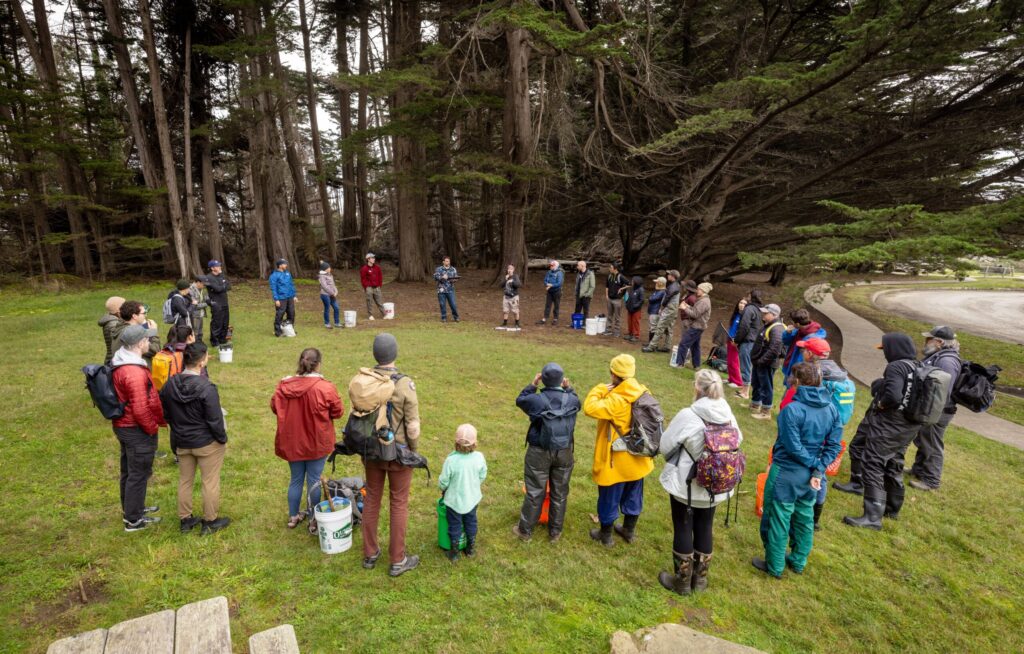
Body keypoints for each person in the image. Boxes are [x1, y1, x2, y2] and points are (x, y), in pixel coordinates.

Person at [752, 362, 842, 578]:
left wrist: (814, 465)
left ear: (798, 382)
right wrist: (819, 468)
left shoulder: (791, 410)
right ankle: (798, 561)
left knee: (778, 517)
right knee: (804, 517)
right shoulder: (831, 408)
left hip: (787, 472)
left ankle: (775, 565)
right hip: (812, 476)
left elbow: (793, 446)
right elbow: (834, 445)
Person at [657, 369, 742, 595]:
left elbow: (665, 445)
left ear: (697, 388)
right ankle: (700, 581)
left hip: (687, 482)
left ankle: (682, 582)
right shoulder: (728, 414)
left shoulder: (689, 414)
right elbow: (738, 440)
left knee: (683, 525)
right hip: (717, 484)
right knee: (705, 526)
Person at [837, 333, 920, 529]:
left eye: (886, 350)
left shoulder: (896, 366)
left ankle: (872, 517)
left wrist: (881, 404)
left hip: (890, 424)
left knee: (873, 462)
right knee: (894, 462)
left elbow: (893, 395)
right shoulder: (916, 366)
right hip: (908, 425)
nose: (885, 354)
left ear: (895, 349)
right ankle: (892, 508)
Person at [359, 333, 422, 577]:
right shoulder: (405, 384)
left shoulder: (365, 381)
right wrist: (413, 452)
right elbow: (413, 426)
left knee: (372, 498)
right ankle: (398, 560)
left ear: (375, 354)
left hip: (372, 451)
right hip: (398, 452)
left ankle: (370, 553)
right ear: (394, 354)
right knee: (399, 502)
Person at [583, 354, 656, 547]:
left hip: (616, 459)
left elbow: (589, 408)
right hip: (639, 456)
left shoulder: (616, 400)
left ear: (614, 374)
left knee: (609, 496)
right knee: (634, 494)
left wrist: (599, 389)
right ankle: (628, 531)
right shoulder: (642, 391)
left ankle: (605, 535)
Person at [159, 342, 230, 536]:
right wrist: (221, 439)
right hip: (206, 442)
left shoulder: (169, 384)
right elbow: (215, 419)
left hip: (182, 440)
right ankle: (210, 521)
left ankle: (186, 519)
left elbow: (165, 413)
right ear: (202, 361)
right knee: (210, 481)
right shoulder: (207, 388)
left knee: (185, 480)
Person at [271, 348, 344, 529]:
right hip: (316, 441)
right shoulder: (325, 387)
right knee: (314, 480)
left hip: (292, 441)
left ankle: (294, 516)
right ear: (318, 364)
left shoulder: (284, 386)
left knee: (296, 479)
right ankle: (313, 518)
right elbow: (338, 411)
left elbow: (275, 407)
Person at [513, 363, 580, 543]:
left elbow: (520, 400)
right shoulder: (571, 399)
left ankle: (525, 531)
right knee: (560, 492)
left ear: (542, 378)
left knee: (535, 490)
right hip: (565, 451)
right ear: (562, 380)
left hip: (539, 451)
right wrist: (569, 388)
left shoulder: (536, 400)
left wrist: (533, 385)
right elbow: (577, 401)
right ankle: (555, 532)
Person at [111, 324, 166, 531]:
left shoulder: (125, 360)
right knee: (138, 473)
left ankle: (133, 509)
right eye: (147, 340)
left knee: (130, 471)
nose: (149, 343)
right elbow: (141, 408)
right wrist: (152, 428)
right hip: (135, 429)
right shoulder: (133, 372)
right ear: (140, 343)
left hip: (125, 426)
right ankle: (133, 520)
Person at [906, 326, 962, 491]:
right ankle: (918, 469)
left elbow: (942, 391)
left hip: (939, 410)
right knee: (924, 439)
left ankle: (931, 480)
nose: (925, 342)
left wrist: (931, 411)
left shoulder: (947, 361)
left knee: (932, 443)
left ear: (939, 342)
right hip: (933, 408)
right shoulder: (940, 356)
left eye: (928, 339)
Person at [438, 424, 488, 562]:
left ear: (456, 442)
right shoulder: (479, 457)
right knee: (471, 521)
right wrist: (475, 484)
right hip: (472, 499)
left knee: (454, 524)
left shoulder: (451, 460)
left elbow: (444, 481)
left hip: (454, 502)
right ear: (475, 443)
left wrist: (441, 487)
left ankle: (454, 553)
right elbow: (483, 474)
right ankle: (470, 549)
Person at [749, 303, 784, 420]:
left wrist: (762, 361)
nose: (763, 314)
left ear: (774, 315)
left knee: (766, 386)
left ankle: (765, 412)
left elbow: (775, 348)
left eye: (766, 313)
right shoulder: (768, 324)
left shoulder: (777, 328)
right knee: (757, 383)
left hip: (767, 363)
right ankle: (755, 404)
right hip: (760, 362)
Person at [672, 282, 712, 368]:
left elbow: (695, 314)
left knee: (683, 344)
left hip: (697, 327)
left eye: (698, 289)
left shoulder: (704, 302)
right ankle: (696, 365)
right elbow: (696, 310)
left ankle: (680, 364)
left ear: (703, 290)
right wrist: (687, 306)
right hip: (699, 326)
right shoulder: (702, 299)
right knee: (695, 346)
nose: (697, 290)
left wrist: (684, 308)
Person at [733, 289, 764, 399]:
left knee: (745, 366)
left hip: (747, 341)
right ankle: (744, 389)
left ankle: (745, 392)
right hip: (754, 341)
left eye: (749, 295)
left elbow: (744, 326)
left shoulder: (749, 309)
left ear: (751, 296)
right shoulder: (759, 310)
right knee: (747, 366)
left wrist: (737, 340)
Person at [781, 309, 826, 384]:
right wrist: (788, 333)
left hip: (800, 372)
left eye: (792, 322)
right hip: (792, 366)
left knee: (791, 392)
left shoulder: (813, 337)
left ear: (798, 324)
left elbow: (808, 357)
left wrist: (798, 372)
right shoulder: (798, 330)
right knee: (790, 392)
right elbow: (786, 342)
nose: (791, 323)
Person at [643, 270, 681, 353]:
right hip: (673, 310)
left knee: (660, 328)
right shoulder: (676, 285)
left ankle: (651, 346)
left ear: (672, 276)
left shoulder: (673, 287)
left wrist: (662, 307)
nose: (668, 275)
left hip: (669, 310)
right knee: (669, 328)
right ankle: (667, 346)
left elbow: (667, 298)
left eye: (669, 274)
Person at [206, 260, 231, 347]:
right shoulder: (209, 278)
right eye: (217, 266)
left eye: (219, 265)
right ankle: (214, 341)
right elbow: (217, 289)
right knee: (217, 322)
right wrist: (223, 286)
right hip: (216, 303)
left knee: (225, 322)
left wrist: (222, 286)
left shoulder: (221, 275)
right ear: (212, 268)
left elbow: (229, 286)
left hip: (224, 302)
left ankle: (222, 339)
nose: (220, 267)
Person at [269, 259, 297, 337]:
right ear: (280, 265)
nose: (286, 265)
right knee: (280, 314)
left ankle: (289, 329)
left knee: (291, 313)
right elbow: (273, 288)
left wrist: (294, 295)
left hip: (290, 297)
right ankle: (278, 332)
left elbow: (291, 285)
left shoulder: (287, 273)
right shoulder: (274, 275)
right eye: (284, 264)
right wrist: (276, 299)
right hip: (281, 298)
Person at [725, 298, 747, 388]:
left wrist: (737, 340)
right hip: (729, 339)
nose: (741, 304)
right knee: (729, 360)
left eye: (744, 303)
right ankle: (731, 378)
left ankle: (737, 382)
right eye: (740, 302)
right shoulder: (736, 314)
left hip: (736, 342)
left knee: (734, 361)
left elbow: (743, 330)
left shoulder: (745, 316)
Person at [603, 263, 628, 337]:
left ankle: (617, 331)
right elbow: (607, 286)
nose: (609, 269)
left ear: (615, 269)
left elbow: (629, 284)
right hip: (610, 299)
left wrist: (621, 288)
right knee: (609, 315)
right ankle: (608, 330)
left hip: (617, 300)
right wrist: (607, 295)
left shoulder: (621, 277)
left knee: (617, 316)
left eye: (611, 267)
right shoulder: (609, 276)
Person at [100, 296, 126, 365]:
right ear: (119, 312)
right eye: (125, 306)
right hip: (114, 361)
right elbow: (119, 340)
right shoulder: (113, 324)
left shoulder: (114, 321)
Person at [434, 256, 460, 323]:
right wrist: (442, 277)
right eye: (446, 261)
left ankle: (456, 317)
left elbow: (456, 277)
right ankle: (444, 318)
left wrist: (454, 280)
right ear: (443, 262)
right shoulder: (439, 269)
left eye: (448, 261)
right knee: (442, 304)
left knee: (453, 304)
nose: (448, 262)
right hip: (441, 290)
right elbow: (435, 277)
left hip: (450, 290)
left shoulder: (453, 269)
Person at [537, 260, 564, 326]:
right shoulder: (549, 272)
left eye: (552, 265)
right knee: (547, 305)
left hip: (557, 292)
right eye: (550, 265)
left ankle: (555, 319)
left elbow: (559, 283)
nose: (550, 267)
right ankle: (545, 318)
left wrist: (551, 285)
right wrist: (547, 284)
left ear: (555, 266)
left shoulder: (559, 273)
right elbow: (545, 280)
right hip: (549, 292)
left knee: (556, 305)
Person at [360, 252, 386, 320]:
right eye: (372, 258)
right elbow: (363, 279)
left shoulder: (377, 268)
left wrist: (379, 285)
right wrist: (366, 286)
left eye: (374, 258)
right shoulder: (364, 268)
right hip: (369, 288)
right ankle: (370, 315)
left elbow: (380, 277)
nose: (374, 259)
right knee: (369, 302)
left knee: (379, 301)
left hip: (377, 287)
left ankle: (384, 314)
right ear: (368, 259)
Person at [499, 264, 522, 330]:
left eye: (511, 269)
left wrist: (512, 281)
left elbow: (518, 285)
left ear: (513, 270)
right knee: (505, 310)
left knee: (515, 311)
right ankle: (505, 323)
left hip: (514, 297)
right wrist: (506, 279)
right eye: (509, 269)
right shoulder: (506, 277)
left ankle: (517, 323)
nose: (509, 270)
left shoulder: (515, 276)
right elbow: (501, 285)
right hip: (506, 297)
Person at [318, 262, 341, 329]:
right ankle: (327, 323)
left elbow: (333, 285)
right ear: (325, 269)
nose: (330, 268)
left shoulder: (330, 275)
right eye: (328, 267)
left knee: (336, 308)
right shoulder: (321, 276)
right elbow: (324, 286)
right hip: (325, 295)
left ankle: (337, 323)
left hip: (332, 295)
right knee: (327, 309)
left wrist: (336, 291)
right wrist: (332, 293)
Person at [624, 276, 646, 343]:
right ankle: (630, 333)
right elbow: (629, 297)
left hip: (636, 310)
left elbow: (642, 300)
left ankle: (636, 335)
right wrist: (627, 304)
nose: (632, 282)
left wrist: (635, 306)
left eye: (633, 281)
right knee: (629, 321)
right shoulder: (632, 288)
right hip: (630, 308)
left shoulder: (641, 290)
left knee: (635, 322)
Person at [188, 276, 209, 343]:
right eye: (203, 284)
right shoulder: (191, 290)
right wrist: (207, 304)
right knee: (195, 332)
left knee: (200, 331)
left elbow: (204, 299)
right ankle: (194, 346)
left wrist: (208, 300)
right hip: (194, 315)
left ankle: (199, 344)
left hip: (200, 314)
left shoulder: (201, 289)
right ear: (198, 282)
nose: (204, 285)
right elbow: (194, 306)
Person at [646, 278, 666, 343]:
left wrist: (650, 298)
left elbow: (652, 299)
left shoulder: (662, 292)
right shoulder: (658, 291)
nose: (656, 284)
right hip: (653, 310)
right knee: (652, 327)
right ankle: (650, 343)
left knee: (653, 328)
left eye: (657, 282)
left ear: (661, 283)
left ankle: (651, 344)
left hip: (655, 311)